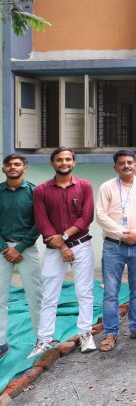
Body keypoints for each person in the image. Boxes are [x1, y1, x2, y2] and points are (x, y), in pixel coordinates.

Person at [29, 148, 96, 357]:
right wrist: (61, 246)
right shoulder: (41, 190)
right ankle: (44, 339)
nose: (64, 162)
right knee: (49, 295)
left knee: (84, 292)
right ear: (52, 163)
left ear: (74, 162)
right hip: (53, 249)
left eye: (68, 159)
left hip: (82, 246)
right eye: (59, 159)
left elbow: (86, 217)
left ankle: (86, 334)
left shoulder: (84, 186)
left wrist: (64, 238)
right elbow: (42, 221)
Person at [95, 149, 136, 352]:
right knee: (111, 292)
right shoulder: (107, 187)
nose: (126, 166)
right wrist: (124, 234)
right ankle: (110, 333)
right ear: (115, 167)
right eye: (122, 163)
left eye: (130, 162)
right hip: (114, 246)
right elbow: (101, 215)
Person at [0, 154, 42, 360]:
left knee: (35, 295)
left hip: (27, 249)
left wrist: (21, 246)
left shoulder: (34, 192)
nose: (13, 167)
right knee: (0, 298)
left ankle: (41, 339)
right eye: (9, 165)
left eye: (17, 164)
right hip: (2, 250)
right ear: (3, 169)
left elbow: (39, 222)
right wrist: (4, 248)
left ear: (25, 168)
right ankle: (0, 344)